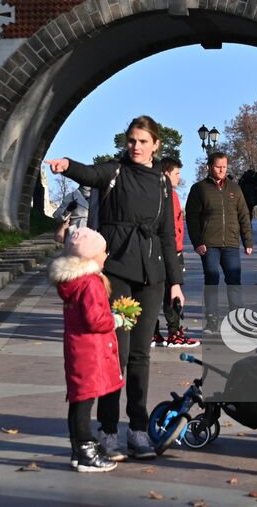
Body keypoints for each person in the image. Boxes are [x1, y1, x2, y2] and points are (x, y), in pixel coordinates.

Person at [47, 115, 185, 461]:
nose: (135, 147)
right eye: (131, 140)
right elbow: (89, 174)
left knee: (141, 354)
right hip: (118, 271)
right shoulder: (115, 171)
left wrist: (175, 283)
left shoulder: (163, 184)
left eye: (142, 141)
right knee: (115, 356)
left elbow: (168, 235)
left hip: (150, 276)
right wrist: (67, 166)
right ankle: (108, 430)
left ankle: (137, 429)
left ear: (156, 145)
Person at [48, 227, 125, 472]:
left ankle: (77, 449)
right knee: (85, 401)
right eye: (103, 252)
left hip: (77, 348)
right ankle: (85, 452)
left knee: (78, 399)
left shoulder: (73, 281)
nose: (106, 255)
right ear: (91, 256)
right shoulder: (91, 283)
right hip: (91, 350)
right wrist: (116, 320)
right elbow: (95, 319)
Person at [185, 151, 252, 332]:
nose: (222, 170)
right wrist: (197, 241)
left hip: (231, 243)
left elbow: (244, 215)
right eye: (218, 166)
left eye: (224, 166)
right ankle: (212, 320)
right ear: (209, 167)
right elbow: (191, 218)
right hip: (209, 243)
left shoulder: (235, 189)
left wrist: (248, 241)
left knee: (234, 281)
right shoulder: (199, 189)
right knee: (212, 279)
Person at [152, 157, 199, 348]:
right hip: (169, 251)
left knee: (158, 293)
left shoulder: (163, 194)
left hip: (164, 250)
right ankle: (174, 333)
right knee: (173, 293)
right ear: (166, 174)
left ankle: (153, 332)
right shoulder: (167, 195)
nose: (179, 177)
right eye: (177, 173)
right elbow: (170, 227)